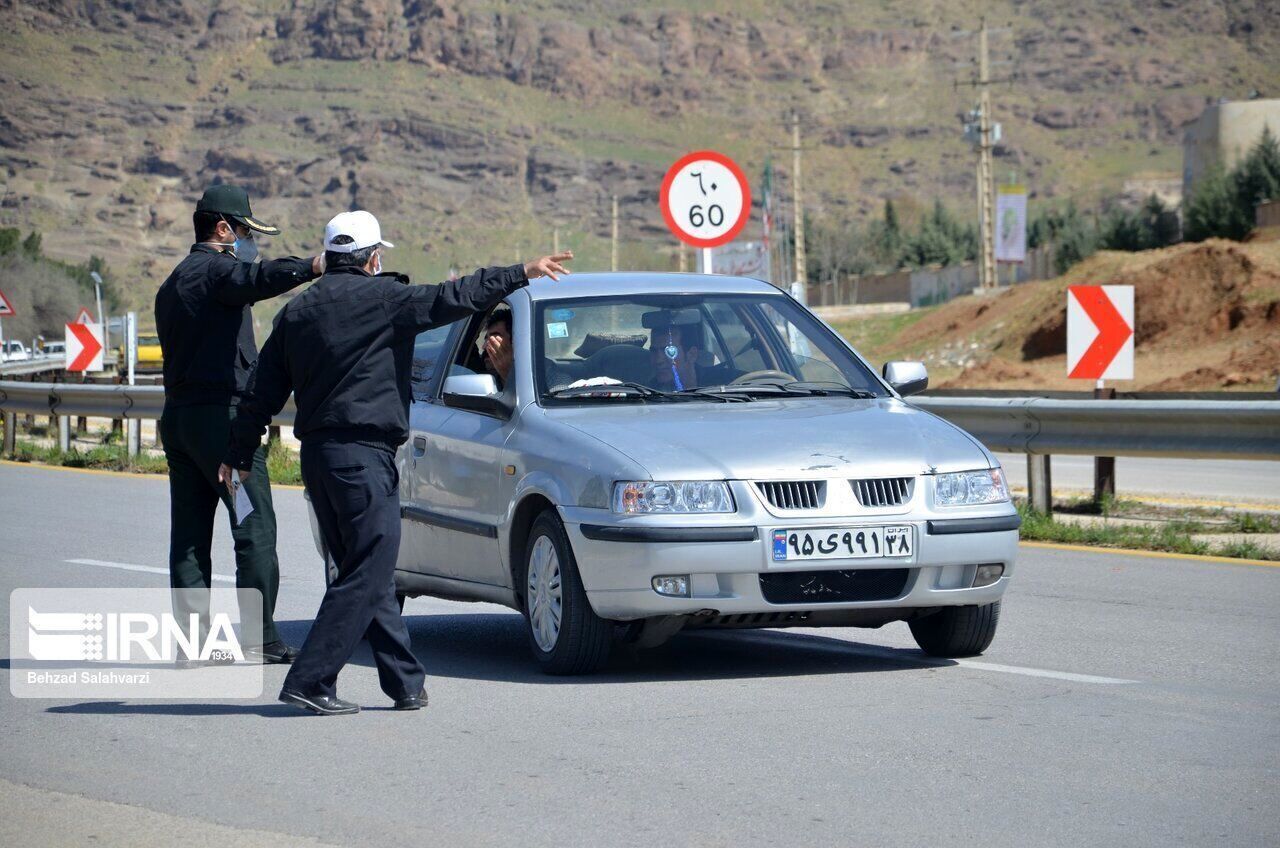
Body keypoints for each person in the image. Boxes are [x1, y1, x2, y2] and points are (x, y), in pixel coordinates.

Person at [221, 210, 572, 715]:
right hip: (364, 459)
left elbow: (260, 392)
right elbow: (459, 295)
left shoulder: (296, 312)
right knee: (368, 569)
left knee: (373, 571)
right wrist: (520, 272)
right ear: (372, 257)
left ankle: (404, 682)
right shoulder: (386, 299)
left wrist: (236, 453)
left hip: (319, 460)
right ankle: (311, 679)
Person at [155, 184, 323, 666]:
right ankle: (262, 636)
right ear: (223, 229)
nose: (249, 242)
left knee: (188, 535)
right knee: (254, 528)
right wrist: (311, 266)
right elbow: (258, 278)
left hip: (179, 423)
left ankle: (193, 643)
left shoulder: (172, 284)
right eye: (246, 232)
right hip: (223, 427)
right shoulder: (218, 271)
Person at [481, 309, 514, 389]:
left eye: (493, 339)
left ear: (514, 341)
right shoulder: (485, 380)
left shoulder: (543, 372)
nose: (484, 346)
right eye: (486, 339)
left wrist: (508, 375)